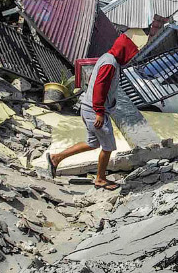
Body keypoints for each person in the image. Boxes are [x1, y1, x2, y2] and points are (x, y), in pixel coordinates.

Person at [46, 33, 138, 190]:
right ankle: (100, 179)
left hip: (89, 108)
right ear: (123, 51)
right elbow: (99, 88)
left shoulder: (107, 58)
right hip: (94, 111)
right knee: (108, 146)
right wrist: (99, 112)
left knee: (92, 143)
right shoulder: (110, 64)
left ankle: (56, 158)